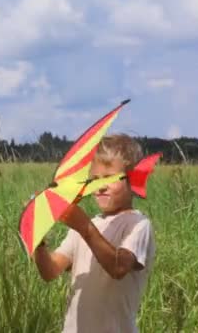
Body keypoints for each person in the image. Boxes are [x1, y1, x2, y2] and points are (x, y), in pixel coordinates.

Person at [33, 134, 156, 333]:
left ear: (133, 181)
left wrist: (84, 226)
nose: (101, 186)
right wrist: (38, 240)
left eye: (110, 178)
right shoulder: (88, 225)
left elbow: (118, 267)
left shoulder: (138, 224)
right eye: (95, 180)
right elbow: (50, 271)